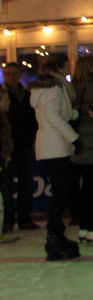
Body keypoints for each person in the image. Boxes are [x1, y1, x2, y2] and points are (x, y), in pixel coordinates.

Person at [29, 55, 80, 261]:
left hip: (48, 142)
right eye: (67, 66)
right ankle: (54, 235)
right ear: (59, 68)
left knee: (61, 190)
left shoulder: (43, 88)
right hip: (55, 144)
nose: (69, 70)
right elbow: (53, 115)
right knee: (61, 191)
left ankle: (55, 234)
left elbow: (56, 113)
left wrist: (75, 114)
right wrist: (74, 137)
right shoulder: (54, 88)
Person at [70, 55, 93, 243]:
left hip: (76, 143)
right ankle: (91, 227)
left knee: (83, 189)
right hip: (92, 142)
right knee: (92, 189)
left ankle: (83, 227)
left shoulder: (72, 90)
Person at [1, 62, 39, 233]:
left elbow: (33, 120)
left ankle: (24, 219)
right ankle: (8, 221)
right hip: (7, 148)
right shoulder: (2, 94)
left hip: (25, 145)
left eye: (15, 73)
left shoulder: (27, 95)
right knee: (5, 186)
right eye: (8, 73)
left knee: (27, 185)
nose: (12, 77)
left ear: (19, 75)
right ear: (4, 75)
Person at [0, 85, 18, 245]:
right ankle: (5, 224)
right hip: (2, 160)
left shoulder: (5, 118)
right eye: (6, 99)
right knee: (4, 193)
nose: (9, 102)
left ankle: (6, 225)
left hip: (4, 159)